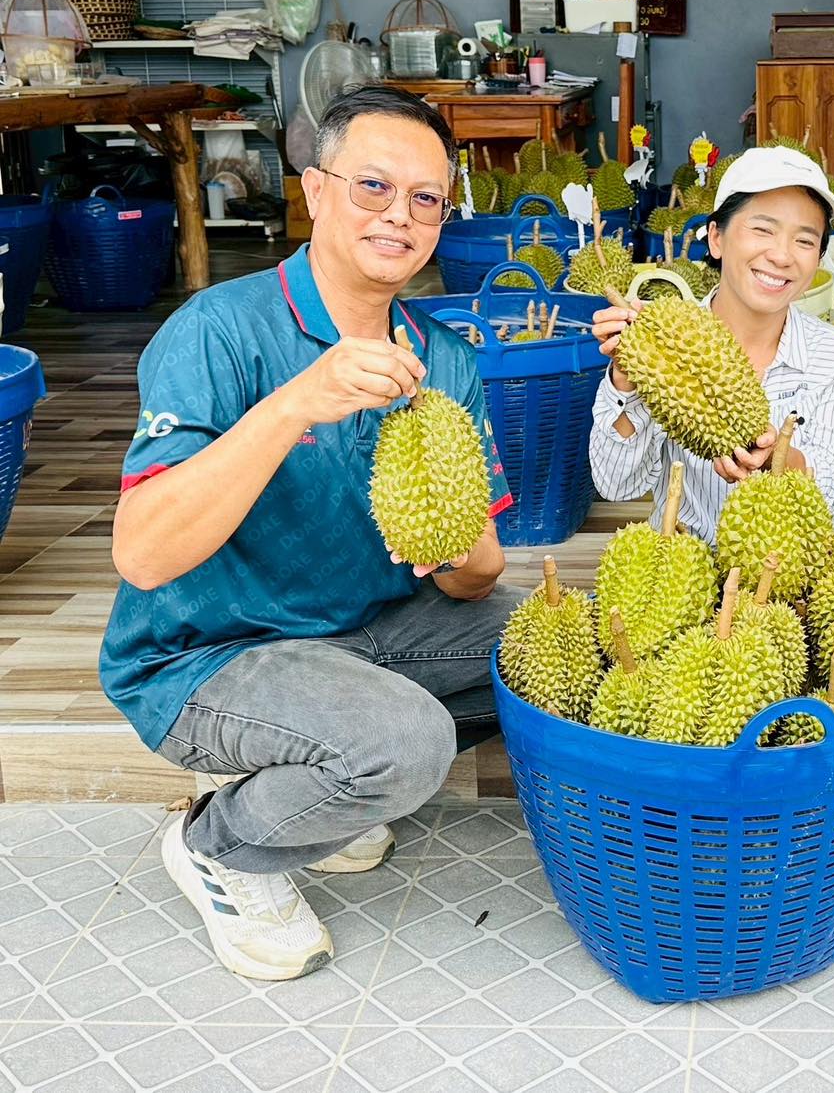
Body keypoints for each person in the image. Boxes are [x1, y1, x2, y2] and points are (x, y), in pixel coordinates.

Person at [100, 86, 523, 983]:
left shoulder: (442, 360)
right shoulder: (220, 330)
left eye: (425, 199)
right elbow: (142, 552)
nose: (399, 216)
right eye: (373, 186)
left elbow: (471, 577)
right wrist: (299, 400)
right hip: (207, 655)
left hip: (364, 638)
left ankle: (332, 775)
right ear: (316, 190)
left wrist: (465, 550)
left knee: (548, 650)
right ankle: (218, 843)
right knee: (407, 744)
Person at [588, 144, 834, 945]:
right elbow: (616, 481)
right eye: (763, 229)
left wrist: (772, 453)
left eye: (805, 238)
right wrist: (624, 384)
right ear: (716, 239)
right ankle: (707, 847)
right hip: (690, 581)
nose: (783, 254)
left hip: (811, 569)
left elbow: (823, 485)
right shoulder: (658, 342)